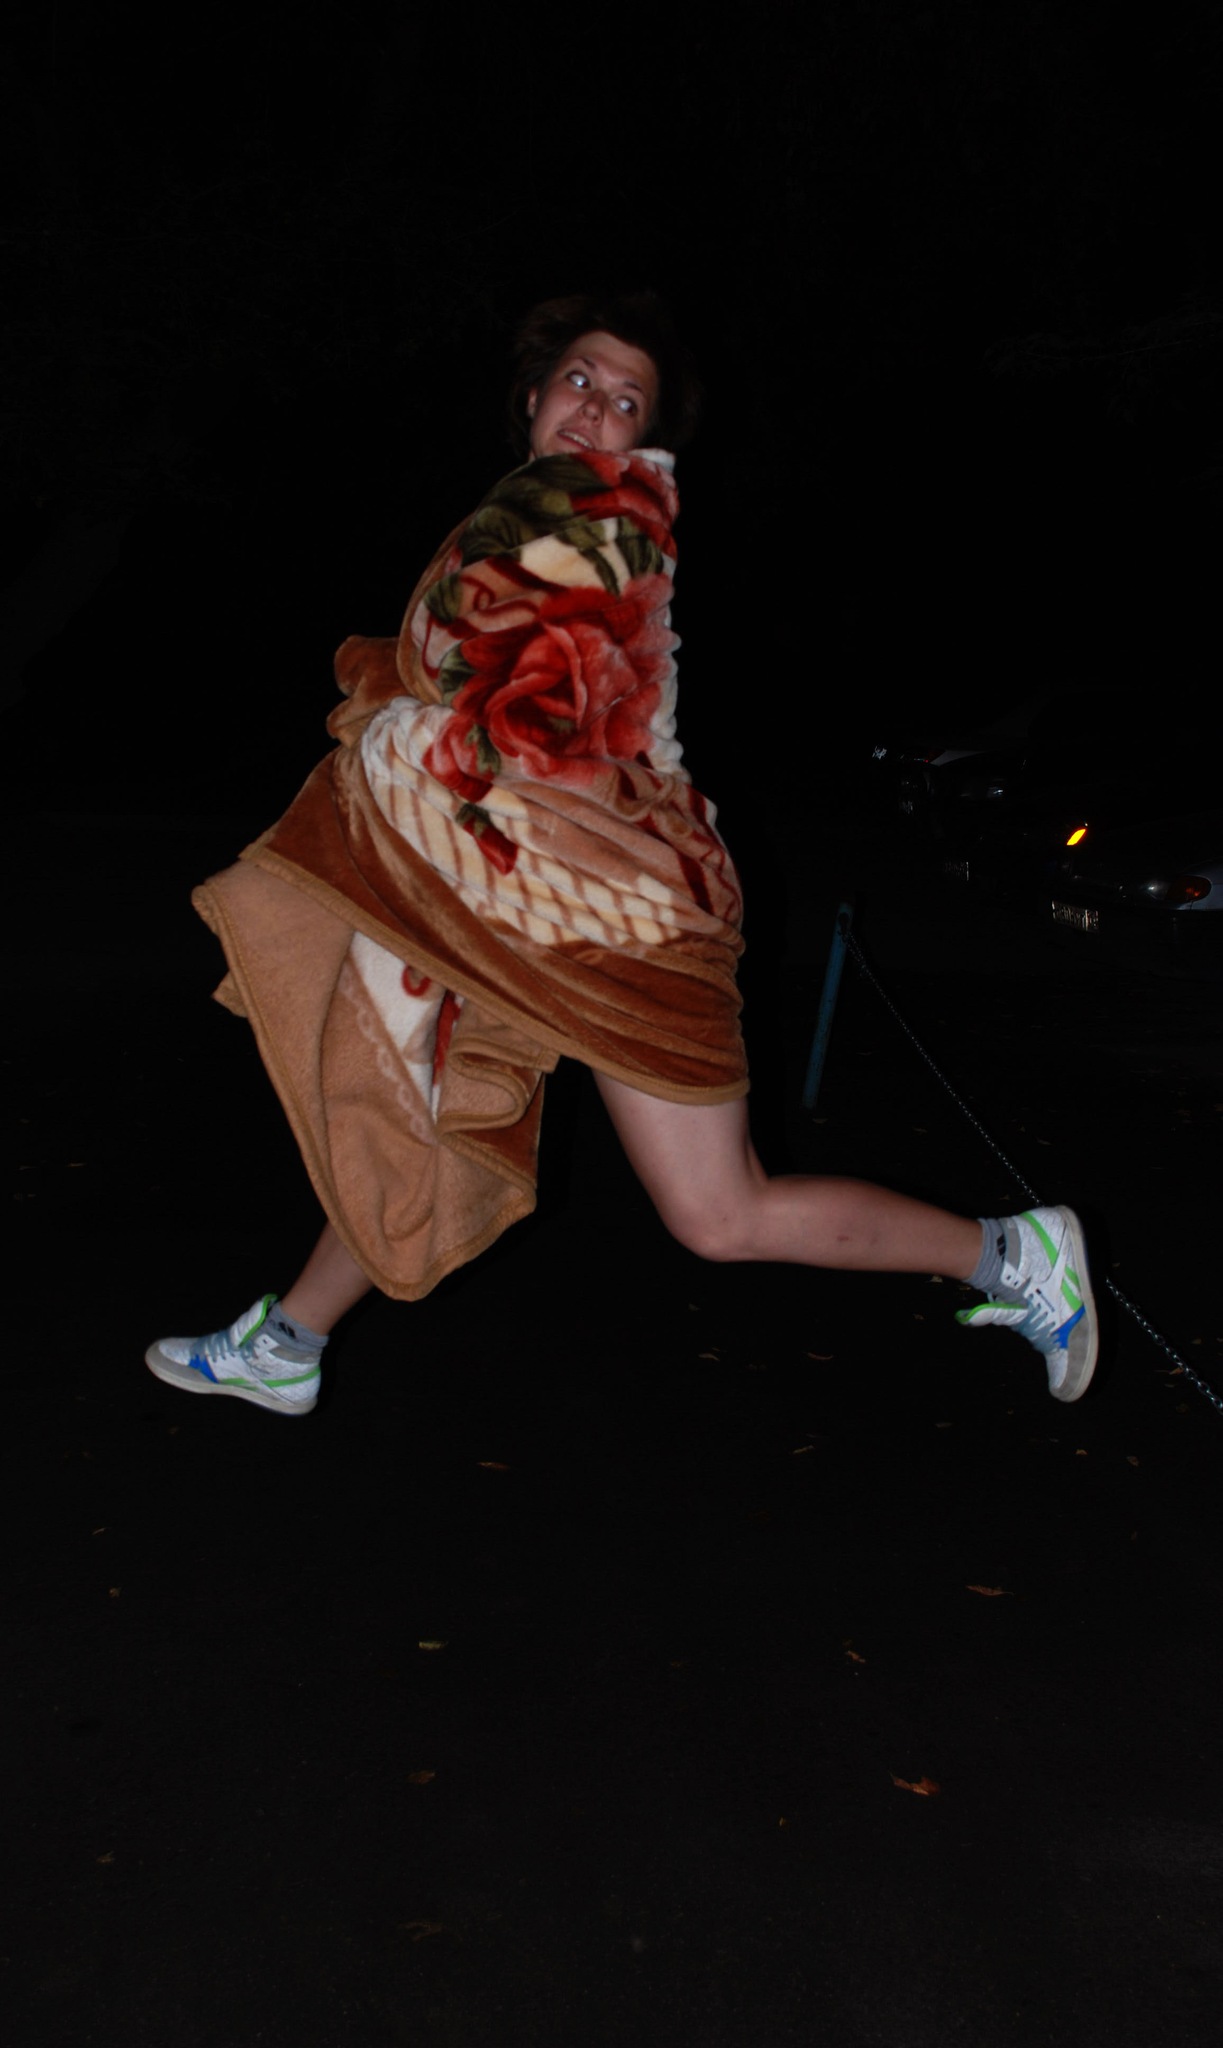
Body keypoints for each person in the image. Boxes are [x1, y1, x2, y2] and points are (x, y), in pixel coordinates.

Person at [145, 292, 1098, 1418]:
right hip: (518, 884)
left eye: (625, 400)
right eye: (580, 381)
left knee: (718, 1214)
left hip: (617, 905)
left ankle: (1012, 1253)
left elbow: (546, 705)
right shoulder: (533, 511)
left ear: (644, 437)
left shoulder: (605, 509)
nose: (595, 408)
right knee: (419, 1106)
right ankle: (290, 1341)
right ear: (534, 395)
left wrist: (418, 746)